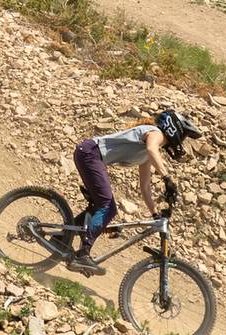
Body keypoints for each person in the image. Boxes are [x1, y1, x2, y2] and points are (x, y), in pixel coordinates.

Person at [68, 109, 200, 274]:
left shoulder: (146, 154)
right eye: (184, 135)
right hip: (90, 154)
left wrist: (155, 214)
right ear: (174, 128)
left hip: (90, 155)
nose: (182, 140)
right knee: (107, 207)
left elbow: (144, 187)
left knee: (101, 207)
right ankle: (82, 254)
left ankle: (62, 237)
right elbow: (153, 150)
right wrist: (167, 178)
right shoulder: (155, 133)